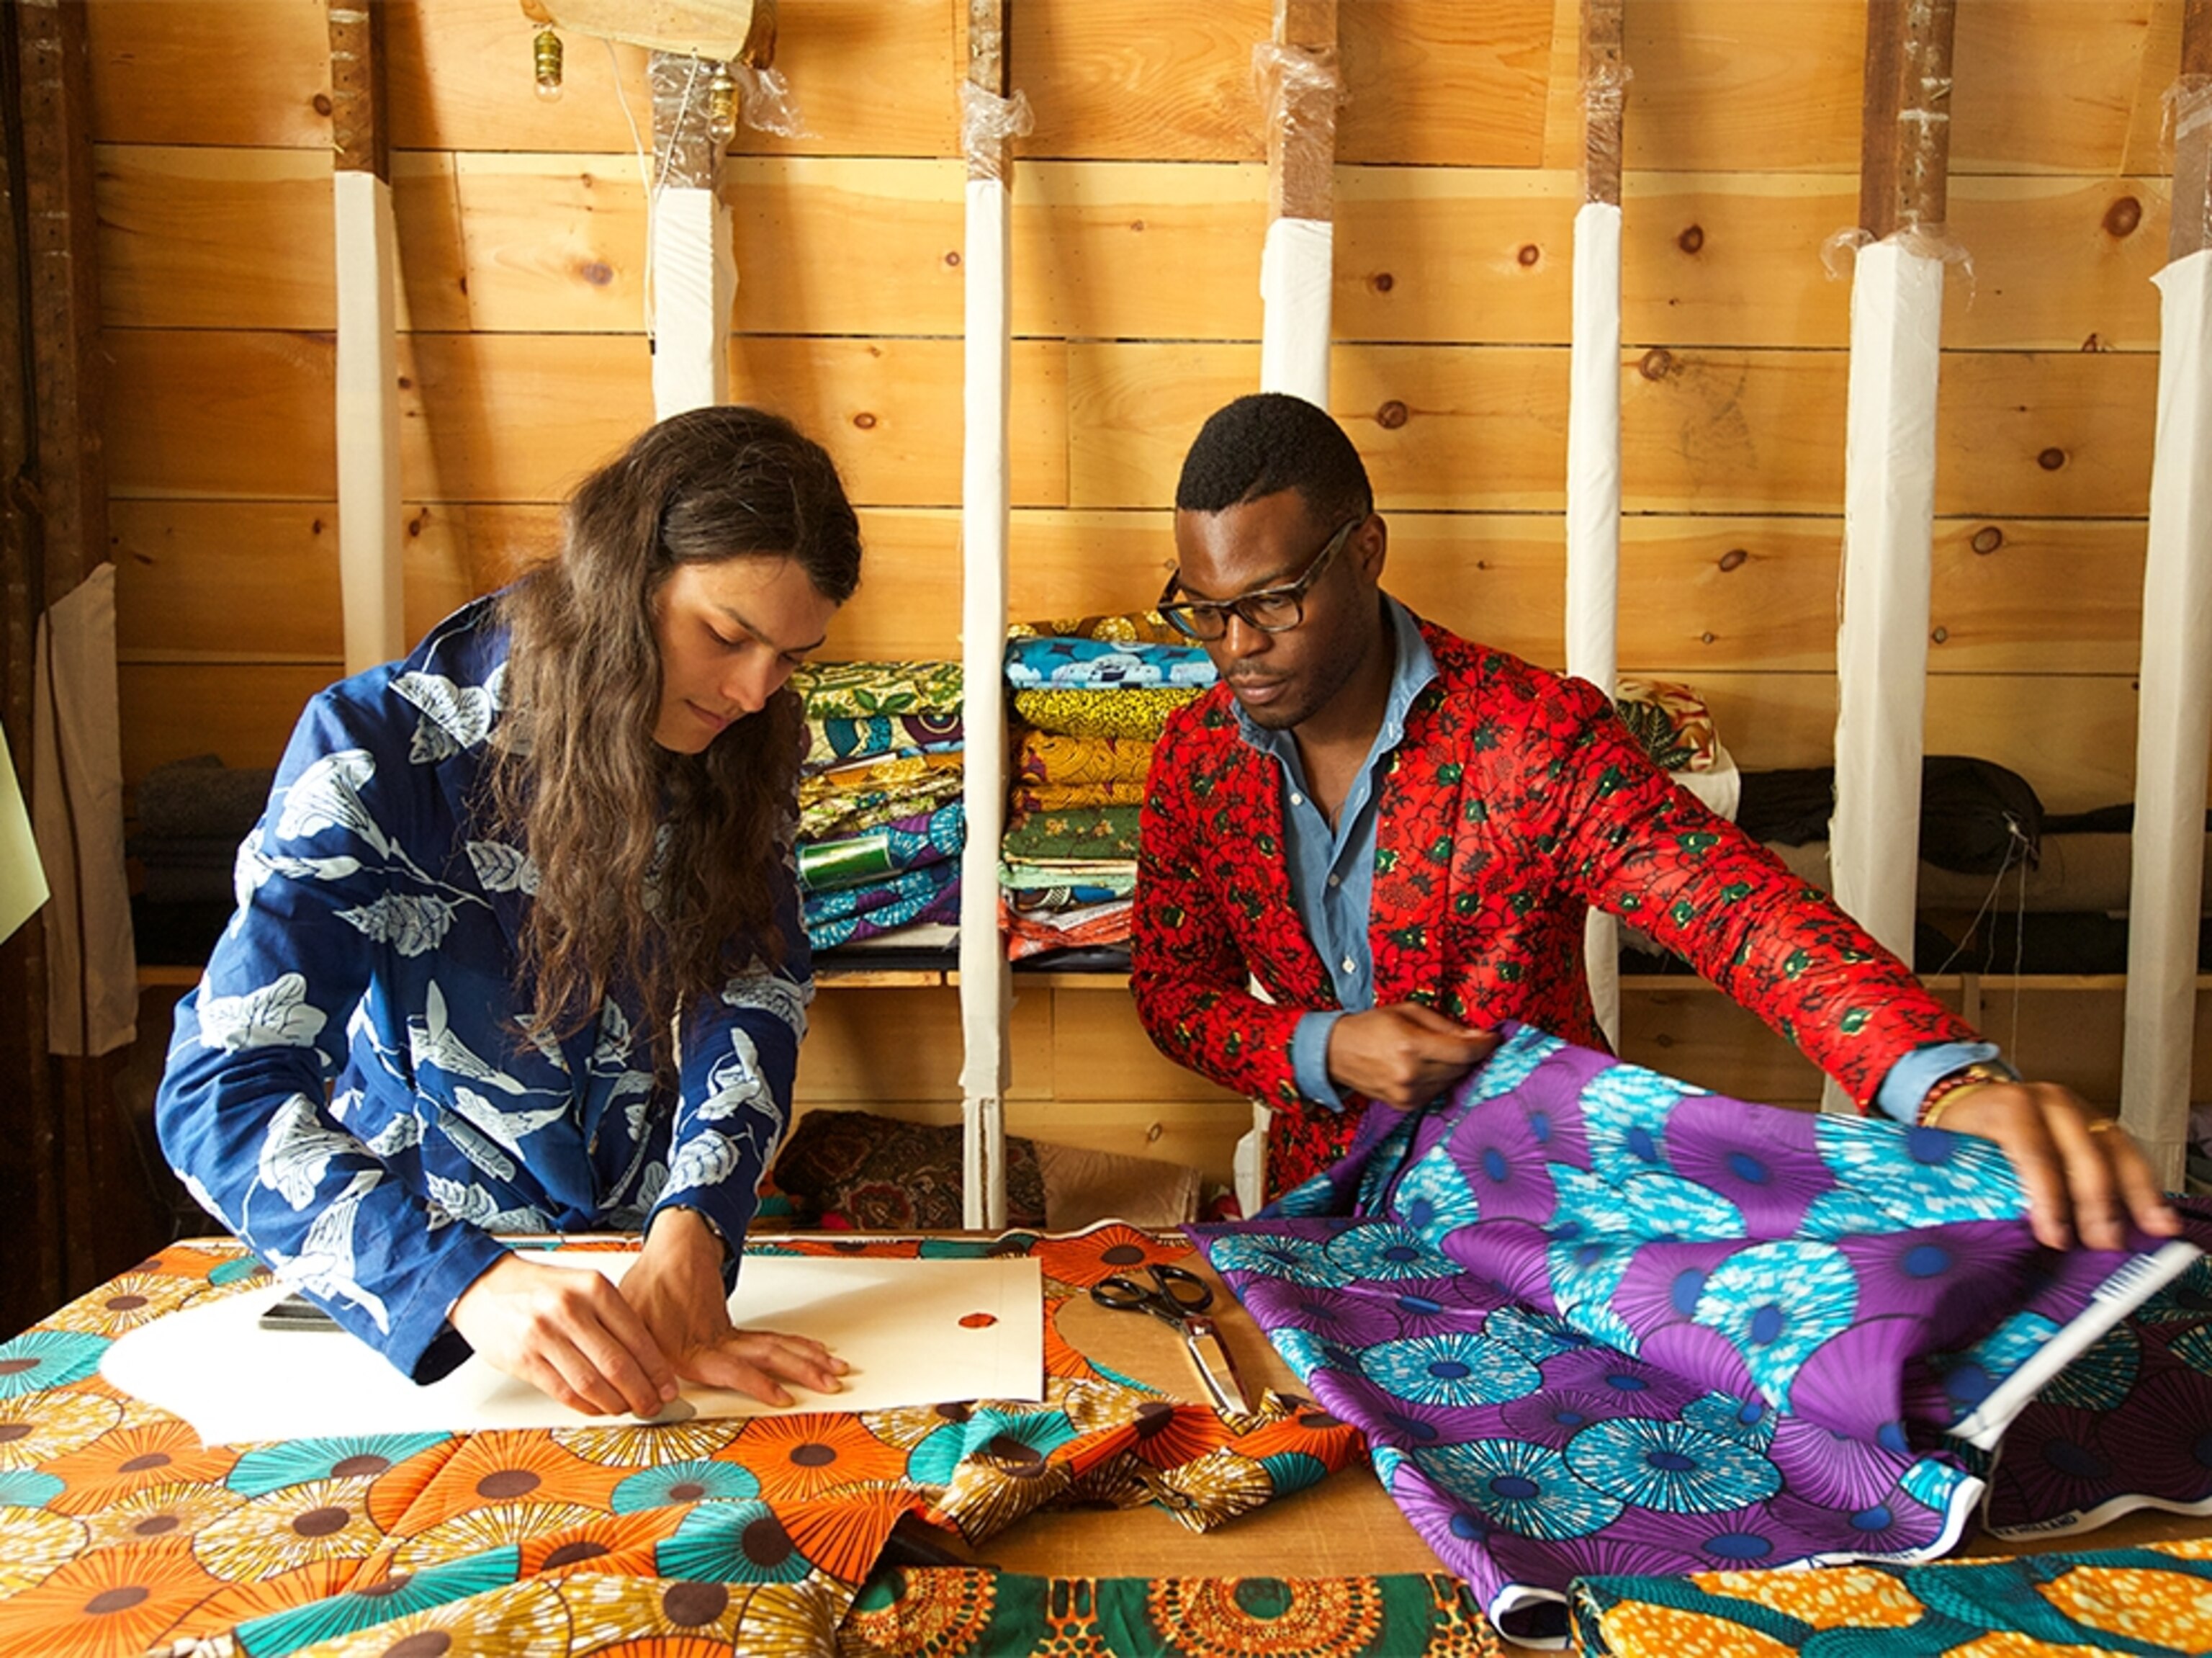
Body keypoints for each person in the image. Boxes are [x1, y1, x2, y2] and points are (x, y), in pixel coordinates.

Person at [1130, 393, 2177, 1251]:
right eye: (1204, 609)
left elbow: (1741, 913)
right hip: (1331, 1237)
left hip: (1550, 1229)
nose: (1234, 647)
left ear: (1365, 549)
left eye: (1271, 601)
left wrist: (1942, 1081)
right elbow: (1173, 993)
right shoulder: (1196, 759)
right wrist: (1320, 1046)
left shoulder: (1528, 734)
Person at [157, 405, 860, 1417]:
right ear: (623, 579)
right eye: (726, 635)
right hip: (418, 1298)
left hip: (641, 1288)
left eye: (792, 657)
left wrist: (697, 1222)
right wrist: (463, 1282)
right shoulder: (375, 750)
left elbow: (751, 987)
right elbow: (218, 1087)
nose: (755, 689)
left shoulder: (747, 742)